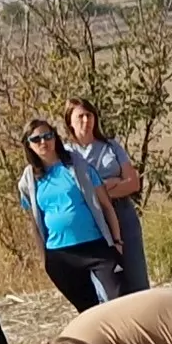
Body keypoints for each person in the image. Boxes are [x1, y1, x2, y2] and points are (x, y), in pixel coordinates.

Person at [57, 98, 148, 293]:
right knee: (110, 280)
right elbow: (77, 193)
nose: (85, 121)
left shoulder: (111, 146)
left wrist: (101, 190)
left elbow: (133, 183)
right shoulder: (66, 154)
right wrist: (111, 184)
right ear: (69, 122)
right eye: (80, 116)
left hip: (123, 212)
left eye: (89, 115)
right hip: (93, 220)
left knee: (136, 274)